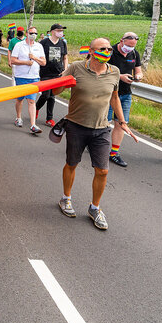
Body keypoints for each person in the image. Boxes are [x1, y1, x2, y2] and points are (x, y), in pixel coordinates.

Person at [51, 38, 137, 230]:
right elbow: (56, 91)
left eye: (108, 48)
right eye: (102, 49)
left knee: (103, 170)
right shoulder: (75, 67)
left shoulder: (114, 71)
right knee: (72, 164)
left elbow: (115, 98)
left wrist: (122, 122)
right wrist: (63, 82)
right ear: (90, 51)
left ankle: (95, 208)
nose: (106, 51)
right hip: (76, 125)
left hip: (102, 128)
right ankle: (66, 198)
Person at [106, 32, 144, 167]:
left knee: (121, 123)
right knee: (104, 122)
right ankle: (95, 144)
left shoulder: (134, 54)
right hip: (109, 93)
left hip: (126, 93)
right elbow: (102, 70)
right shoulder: (109, 51)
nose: (130, 49)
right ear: (121, 40)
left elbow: (138, 70)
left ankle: (114, 153)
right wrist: (120, 76)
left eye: (133, 46)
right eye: (128, 46)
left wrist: (138, 76)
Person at [10, 26, 47, 134]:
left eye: (35, 33)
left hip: (34, 77)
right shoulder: (19, 45)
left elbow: (43, 62)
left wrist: (34, 58)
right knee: (20, 99)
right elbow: (13, 60)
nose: (33, 35)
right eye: (31, 33)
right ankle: (18, 117)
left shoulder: (39, 46)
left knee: (31, 101)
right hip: (21, 76)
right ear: (26, 33)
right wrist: (25, 62)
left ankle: (33, 125)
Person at [36, 24, 69, 127]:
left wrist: (65, 69)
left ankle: (49, 119)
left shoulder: (62, 43)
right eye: (59, 30)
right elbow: (38, 56)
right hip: (45, 73)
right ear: (53, 31)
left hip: (57, 73)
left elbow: (65, 57)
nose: (61, 32)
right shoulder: (44, 42)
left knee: (52, 96)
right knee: (45, 95)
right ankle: (36, 108)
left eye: (62, 31)